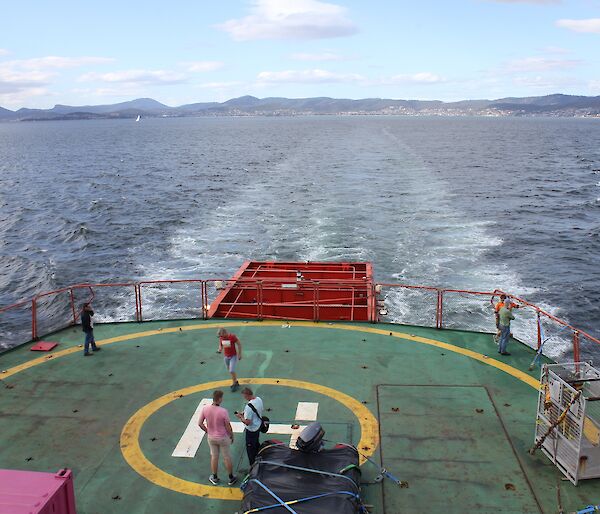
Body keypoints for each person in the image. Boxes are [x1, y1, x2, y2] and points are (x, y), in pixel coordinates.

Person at [198, 390, 237, 486]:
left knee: (214, 457)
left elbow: (200, 423)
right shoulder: (223, 411)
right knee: (227, 457)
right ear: (219, 399)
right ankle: (231, 478)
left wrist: (207, 431)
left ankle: (214, 477)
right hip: (223, 438)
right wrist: (231, 435)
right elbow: (227, 426)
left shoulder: (205, 409)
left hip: (211, 437)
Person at [235, 387, 263, 466]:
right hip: (258, 426)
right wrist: (244, 413)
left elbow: (247, 422)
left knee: (250, 449)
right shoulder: (259, 399)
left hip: (251, 430)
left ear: (247, 395)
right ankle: (259, 456)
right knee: (256, 443)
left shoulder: (248, 407)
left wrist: (240, 417)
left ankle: (253, 466)